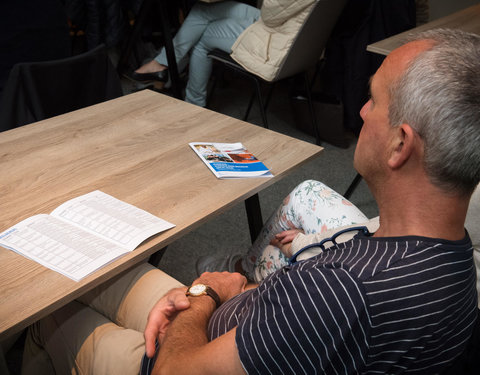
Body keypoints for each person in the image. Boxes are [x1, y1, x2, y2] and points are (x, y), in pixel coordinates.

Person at [22, 28, 480, 374]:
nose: (361, 112)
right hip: (226, 321)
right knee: (95, 274)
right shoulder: (453, 262)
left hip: (184, 353)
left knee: (51, 308)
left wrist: (204, 295)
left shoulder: (346, 292)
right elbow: (298, 316)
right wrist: (226, 293)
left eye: (374, 101)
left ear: (401, 146)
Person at [128, 0, 317, 107]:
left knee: (202, 36)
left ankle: (193, 104)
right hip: (290, 31)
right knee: (203, 10)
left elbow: (272, 12)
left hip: (276, 39)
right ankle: (164, 64)